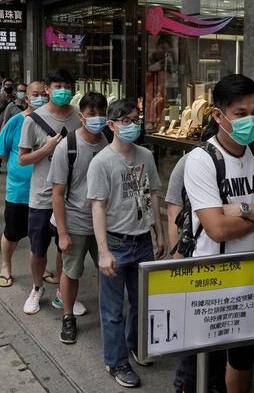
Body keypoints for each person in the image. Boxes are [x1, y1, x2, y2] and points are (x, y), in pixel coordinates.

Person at [173, 75, 254, 393]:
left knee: (245, 358)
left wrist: (239, 210)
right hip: (211, 279)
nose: (251, 120)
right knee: (202, 369)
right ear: (218, 116)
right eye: (241, 113)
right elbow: (217, 229)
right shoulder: (201, 160)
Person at [88, 100, 167, 388]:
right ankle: (116, 361)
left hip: (143, 240)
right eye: (125, 120)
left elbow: (152, 195)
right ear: (111, 125)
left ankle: (134, 346)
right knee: (111, 310)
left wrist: (160, 234)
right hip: (116, 243)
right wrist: (103, 251)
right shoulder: (102, 162)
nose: (132, 124)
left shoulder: (146, 155)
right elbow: (97, 207)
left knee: (141, 302)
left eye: (135, 119)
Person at [18, 68, 80, 315]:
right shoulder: (32, 120)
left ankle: (61, 292)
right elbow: (23, 159)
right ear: (47, 89)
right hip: (42, 197)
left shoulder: (79, 117)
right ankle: (37, 287)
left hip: (72, 198)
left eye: (66, 86)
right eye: (57, 86)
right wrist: (47, 148)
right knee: (38, 249)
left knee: (66, 248)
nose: (62, 90)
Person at [50, 92, 108, 343]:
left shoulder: (108, 141)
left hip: (104, 223)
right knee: (71, 272)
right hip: (75, 221)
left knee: (108, 271)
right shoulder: (68, 145)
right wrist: (62, 233)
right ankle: (67, 317)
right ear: (81, 115)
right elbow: (58, 193)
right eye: (91, 113)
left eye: (101, 113)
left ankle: (111, 317)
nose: (96, 118)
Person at [0, 82, 44, 287]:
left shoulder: (53, 122)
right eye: (35, 94)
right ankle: (6, 266)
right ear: (26, 98)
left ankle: (41, 268)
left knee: (40, 234)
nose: (40, 98)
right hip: (19, 191)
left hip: (44, 192)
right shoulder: (16, 121)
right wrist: (18, 169)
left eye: (43, 94)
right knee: (12, 232)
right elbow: (1, 152)